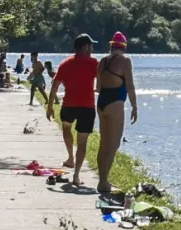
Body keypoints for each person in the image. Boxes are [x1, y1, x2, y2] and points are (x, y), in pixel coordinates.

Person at [46, 34, 99, 187]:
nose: (92, 49)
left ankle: (70, 157)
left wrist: (50, 107)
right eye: (91, 46)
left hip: (69, 105)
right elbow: (103, 80)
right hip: (87, 107)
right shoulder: (94, 63)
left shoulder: (65, 63)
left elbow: (55, 85)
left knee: (66, 127)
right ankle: (76, 175)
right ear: (85, 47)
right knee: (82, 143)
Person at [95, 32, 138, 196]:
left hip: (101, 103)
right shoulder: (125, 61)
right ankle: (104, 182)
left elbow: (98, 87)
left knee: (103, 143)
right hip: (115, 103)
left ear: (111, 46)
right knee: (114, 144)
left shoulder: (102, 61)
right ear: (124, 47)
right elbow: (130, 86)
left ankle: (102, 179)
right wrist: (134, 106)